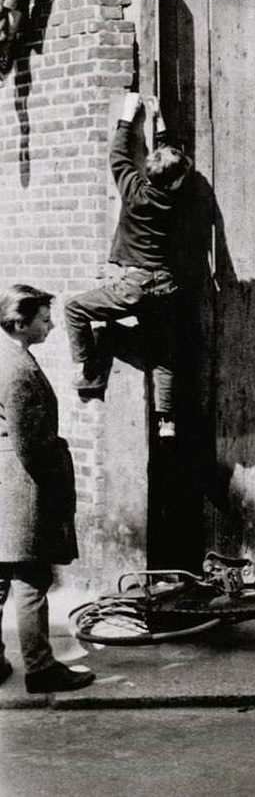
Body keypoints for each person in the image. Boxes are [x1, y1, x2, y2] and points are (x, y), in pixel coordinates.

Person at [64, 92, 192, 439]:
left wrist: (127, 115)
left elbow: (119, 155)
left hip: (132, 284)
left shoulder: (133, 190)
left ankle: (87, 368)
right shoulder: (177, 198)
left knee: (74, 308)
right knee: (163, 354)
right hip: (164, 286)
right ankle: (166, 419)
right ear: (178, 181)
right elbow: (171, 166)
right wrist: (160, 121)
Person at [0, 284, 95, 693]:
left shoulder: (5, 356)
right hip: (23, 487)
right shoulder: (19, 370)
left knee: (3, 578)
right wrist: (58, 465)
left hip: (6, 481)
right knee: (31, 578)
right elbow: (30, 445)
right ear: (19, 323)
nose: (52, 325)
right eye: (44, 319)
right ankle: (40, 667)